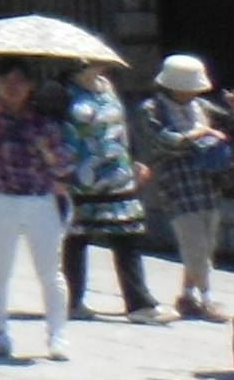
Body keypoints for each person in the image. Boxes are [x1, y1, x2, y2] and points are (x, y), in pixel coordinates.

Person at [0, 59, 71, 361]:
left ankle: (57, 337)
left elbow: (63, 163)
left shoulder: (44, 121)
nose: (12, 88)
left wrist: (50, 157)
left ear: (30, 86)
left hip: (38, 200)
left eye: (19, 81)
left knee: (50, 272)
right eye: (5, 81)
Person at [142, 53, 234, 320]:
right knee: (193, 241)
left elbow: (232, 132)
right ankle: (207, 298)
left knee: (207, 239)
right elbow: (163, 141)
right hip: (177, 182)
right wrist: (199, 134)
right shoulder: (152, 109)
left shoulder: (202, 107)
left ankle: (188, 295)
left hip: (207, 180)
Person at [61, 59, 161, 325]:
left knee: (127, 236)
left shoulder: (108, 88)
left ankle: (139, 302)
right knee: (76, 239)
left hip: (117, 172)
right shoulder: (60, 92)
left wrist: (138, 158)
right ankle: (72, 300)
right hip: (80, 175)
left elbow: (127, 127)